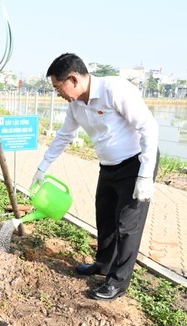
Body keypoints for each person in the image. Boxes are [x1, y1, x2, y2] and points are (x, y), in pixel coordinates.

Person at [32, 53, 159, 301]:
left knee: (127, 225)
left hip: (135, 164)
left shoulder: (115, 89)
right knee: (105, 217)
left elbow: (148, 127)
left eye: (58, 87)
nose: (58, 93)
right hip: (109, 166)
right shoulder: (76, 105)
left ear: (73, 79)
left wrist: (145, 175)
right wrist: (43, 166)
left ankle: (118, 283)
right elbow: (64, 136)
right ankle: (103, 265)